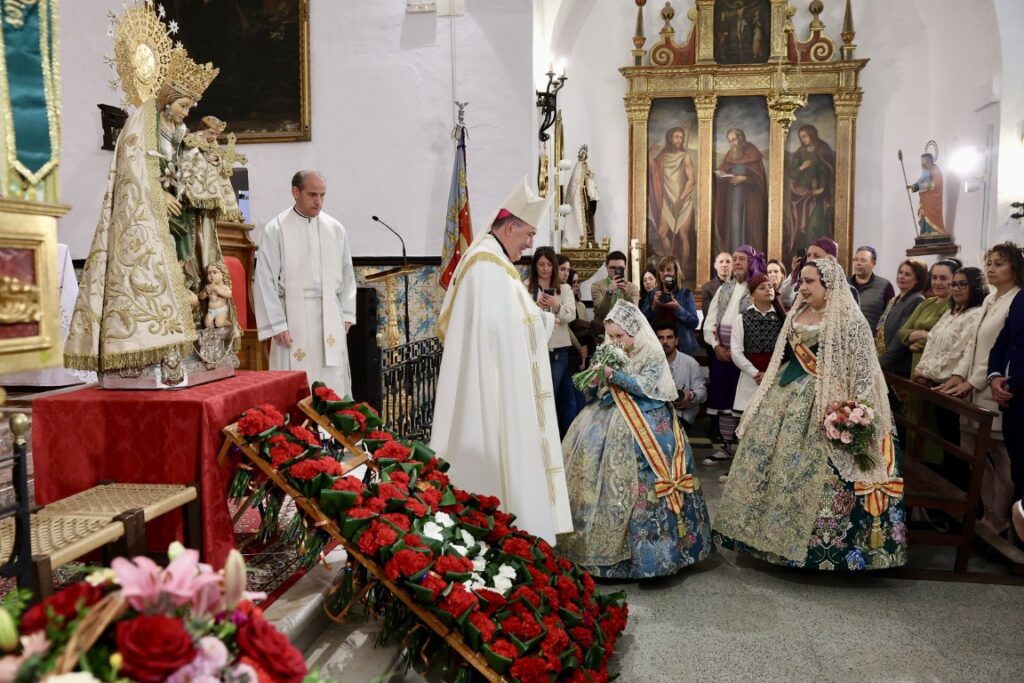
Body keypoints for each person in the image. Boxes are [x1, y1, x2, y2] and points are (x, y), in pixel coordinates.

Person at [714, 258, 907, 571]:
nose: (801, 288)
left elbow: (862, 371)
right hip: (787, 394)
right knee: (770, 459)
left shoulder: (849, 319)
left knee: (816, 466)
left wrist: (854, 412)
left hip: (829, 398)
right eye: (801, 281)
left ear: (828, 284)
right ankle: (762, 538)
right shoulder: (797, 312)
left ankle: (823, 552)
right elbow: (786, 354)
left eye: (809, 282)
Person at [65, 41, 237, 377]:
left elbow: (188, 155)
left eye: (189, 105)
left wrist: (208, 160)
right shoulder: (143, 124)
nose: (187, 111)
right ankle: (163, 338)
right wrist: (159, 195)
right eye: (183, 105)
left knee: (189, 255)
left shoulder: (181, 129)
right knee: (166, 256)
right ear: (168, 101)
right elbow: (133, 168)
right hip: (154, 209)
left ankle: (191, 322)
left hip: (181, 205)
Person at [431, 177, 572, 543]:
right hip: (492, 388)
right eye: (527, 235)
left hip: (499, 378)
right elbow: (500, 332)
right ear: (509, 227)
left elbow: (508, 323)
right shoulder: (486, 267)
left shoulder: (494, 263)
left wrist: (539, 319)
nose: (529, 244)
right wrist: (540, 320)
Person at [558, 301, 715, 578]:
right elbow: (594, 395)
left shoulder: (652, 352)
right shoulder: (608, 351)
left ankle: (661, 553)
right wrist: (595, 383)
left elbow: (651, 388)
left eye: (619, 336)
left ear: (634, 331)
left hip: (648, 420)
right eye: (610, 336)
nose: (614, 341)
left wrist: (614, 374)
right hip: (604, 420)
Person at [939, 244, 1024, 535]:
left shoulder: (1015, 300)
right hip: (972, 388)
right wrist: (957, 375)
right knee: (972, 451)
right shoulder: (989, 300)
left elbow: (996, 352)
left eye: (999, 264)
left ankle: (1000, 518)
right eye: (989, 263)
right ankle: (988, 511)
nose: (990, 269)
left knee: (1001, 458)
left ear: (1014, 267)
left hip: (993, 389)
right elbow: (973, 344)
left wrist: (973, 381)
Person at [253, 171, 356, 393]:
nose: (318, 201)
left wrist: (347, 314)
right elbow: (264, 279)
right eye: (312, 194)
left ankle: (332, 427)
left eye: (322, 195)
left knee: (333, 381)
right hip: (291, 317)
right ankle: (295, 428)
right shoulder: (276, 228)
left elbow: (348, 273)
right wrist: (277, 323)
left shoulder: (335, 228)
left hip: (329, 313)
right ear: (295, 192)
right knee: (296, 382)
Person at [911, 267, 987, 484]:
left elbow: (958, 353)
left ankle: (961, 497)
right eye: (954, 284)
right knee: (945, 443)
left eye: (963, 284)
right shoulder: (951, 312)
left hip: (950, 388)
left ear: (975, 287)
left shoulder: (974, 315)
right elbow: (933, 343)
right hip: (935, 385)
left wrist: (930, 373)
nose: (956, 288)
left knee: (956, 447)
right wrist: (922, 369)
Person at [703, 245, 765, 462]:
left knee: (743, 401)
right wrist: (716, 346)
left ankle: (743, 450)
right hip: (722, 354)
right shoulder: (724, 289)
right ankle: (727, 446)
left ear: (751, 262)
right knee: (724, 401)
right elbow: (710, 321)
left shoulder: (758, 288)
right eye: (734, 258)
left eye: (741, 259)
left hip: (747, 355)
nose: (737, 262)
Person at [526, 247, 577, 437]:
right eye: (541, 264)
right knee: (547, 398)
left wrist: (556, 305)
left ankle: (566, 443)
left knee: (566, 401)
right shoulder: (528, 287)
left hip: (560, 350)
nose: (545, 269)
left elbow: (571, 316)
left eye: (549, 264)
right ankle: (543, 438)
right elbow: (522, 315)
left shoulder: (564, 289)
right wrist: (536, 308)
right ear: (535, 266)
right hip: (538, 349)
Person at [988, 259, 1024, 521]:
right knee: (1018, 469)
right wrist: (995, 376)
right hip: (1012, 399)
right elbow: (1002, 341)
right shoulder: (1021, 297)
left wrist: (1010, 384)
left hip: (1017, 391)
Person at [730, 272, 785, 418]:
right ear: (752, 295)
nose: (768, 289)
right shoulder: (741, 318)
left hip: (776, 376)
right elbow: (736, 352)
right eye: (762, 287)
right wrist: (755, 373)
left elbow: (785, 350)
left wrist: (772, 373)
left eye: (770, 286)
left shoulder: (782, 319)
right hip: (751, 377)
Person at [898, 259, 961, 375]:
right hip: (916, 366)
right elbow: (902, 333)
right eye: (934, 277)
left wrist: (918, 339)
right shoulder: (926, 303)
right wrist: (926, 334)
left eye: (943, 278)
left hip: (936, 369)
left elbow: (942, 338)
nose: (937, 282)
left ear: (954, 280)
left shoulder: (953, 306)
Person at [649, 126, 696, 275]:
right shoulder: (663, 156)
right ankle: (671, 267)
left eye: (681, 137)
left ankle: (682, 269)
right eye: (676, 137)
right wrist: (650, 155)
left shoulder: (685, 156)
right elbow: (654, 171)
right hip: (667, 199)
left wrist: (681, 199)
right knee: (662, 232)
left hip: (683, 200)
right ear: (670, 138)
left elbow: (691, 181)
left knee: (683, 235)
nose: (679, 140)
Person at [714, 128, 767, 255]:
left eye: (734, 139)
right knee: (734, 224)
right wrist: (720, 174)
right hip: (733, 197)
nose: (732, 143)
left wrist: (746, 178)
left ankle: (751, 257)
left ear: (741, 138)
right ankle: (734, 254)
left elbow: (760, 178)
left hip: (750, 198)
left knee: (749, 226)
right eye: (730, 141)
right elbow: (724, 169)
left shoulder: (752, 151)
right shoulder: (732, 153)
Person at [785, 124, 835, 256]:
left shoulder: (823, 149)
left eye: (805, 136)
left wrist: (822, 188)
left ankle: (819, 256)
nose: (803, 140)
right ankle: (803, 258)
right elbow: (792, 172)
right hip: (801, 194)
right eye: (801, 137)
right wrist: (802, 167)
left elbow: (826, 170)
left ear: (812, 135)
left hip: (817, 195)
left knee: (815, 225)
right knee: (801, 229)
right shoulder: (799, 152)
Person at [877, 259, 928, 377]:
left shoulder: (916, 300)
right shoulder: (894, 300)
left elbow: (900, 338)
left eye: (907, 274)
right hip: (886, 361)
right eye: (900, 272)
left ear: (917, 280)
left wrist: (882, 363)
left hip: (898, 367)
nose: (902, 276)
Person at [641, 255, 699, 355]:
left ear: (676, 272)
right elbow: (642, 322)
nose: (665, 273)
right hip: (656, 348)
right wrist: (653, 305)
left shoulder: (685, 294)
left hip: (681, 348)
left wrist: (677, 308)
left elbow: (694, 323)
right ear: (658, 273)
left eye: (669, 270)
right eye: (662, 270)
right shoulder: (652, 294)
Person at [656, 321, 706, 429]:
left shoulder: (690, 363)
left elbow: (702, 393)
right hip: (654, 415)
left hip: (681, 415)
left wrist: (691, 395)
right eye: (660, 338)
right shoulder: (649, 363)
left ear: (676, 341)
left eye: (669, 337)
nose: (665, 342)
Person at [591, 251, 641, 340]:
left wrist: (626, 294)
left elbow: (634, 312)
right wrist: (609, 292)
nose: (616, 271)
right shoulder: (597, 286)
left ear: (625, 268)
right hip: (603, 333)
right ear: (606, 267)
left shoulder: (633, 288)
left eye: (620, 268)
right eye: (612, 268)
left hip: (626, 333)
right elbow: (600, 312)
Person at [849, 246, 894, 331]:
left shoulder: (885, 286)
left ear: (873, 263)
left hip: (871, 339)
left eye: (863, 260)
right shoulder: (844, 284)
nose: (858, 263)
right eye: (856, 259)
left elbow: (890, 317)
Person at [909, 153, 948, 236]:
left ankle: (936, 232)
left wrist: (924, 185)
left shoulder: (935, 169)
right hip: (925, 199)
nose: (922, 163)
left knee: (932, 215)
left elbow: (937, 183)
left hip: (932, 199)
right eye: (921, 161)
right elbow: (921, 182)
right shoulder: (926, 172)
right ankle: (925, 232)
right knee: (925, 216)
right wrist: (914, 187)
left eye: (924, 161)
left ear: (929, 161)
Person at [700, 252, 733, 320]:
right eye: (721, 262)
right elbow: (708, 314)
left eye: (728, 262)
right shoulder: (707, 288)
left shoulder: (740, 286)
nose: (724, 265)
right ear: (715, 265)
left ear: (733, 265)